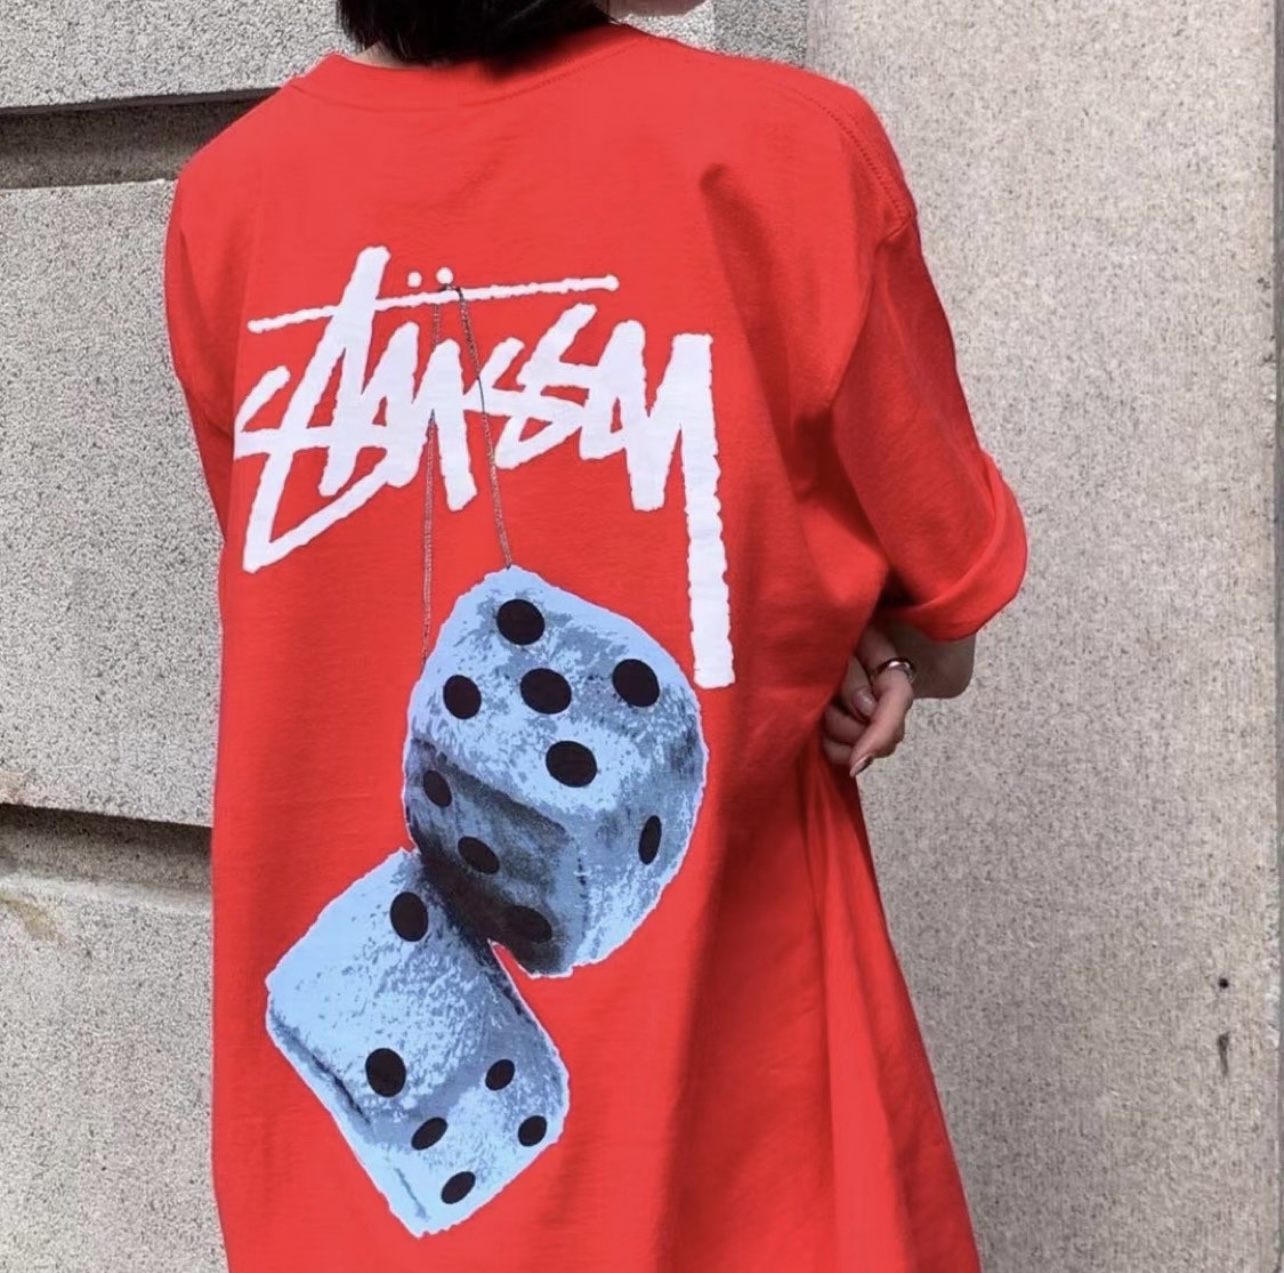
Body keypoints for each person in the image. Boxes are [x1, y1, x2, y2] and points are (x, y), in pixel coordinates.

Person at [162, 2, 1027, 1271]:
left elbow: (316, 602)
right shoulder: (787, 155)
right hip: (749, 1170)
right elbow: (943, 628)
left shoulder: (228, 208)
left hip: (353, 1212)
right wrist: (867, 640)